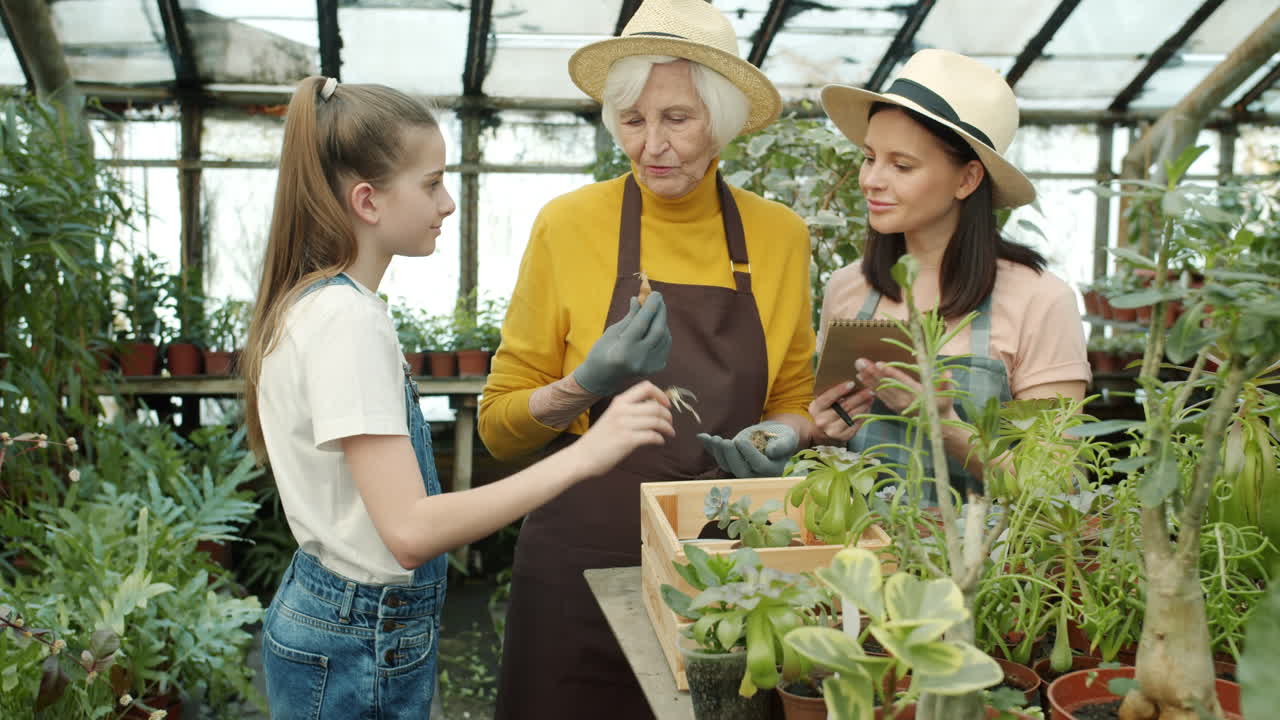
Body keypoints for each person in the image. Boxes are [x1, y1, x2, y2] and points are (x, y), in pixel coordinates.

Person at [240, 76, 676, 720]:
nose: (447, 204)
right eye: (431, 183)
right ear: (368, 200)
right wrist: (588, 454)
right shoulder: (348, 321)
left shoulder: (314, 304)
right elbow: (410, 532)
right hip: (360, 638)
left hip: (337, 620)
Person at [478, 0, 817, 715]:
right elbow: (499, 427)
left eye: (677, 119)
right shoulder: (568, 226)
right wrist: (580, 387)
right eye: (633, 120)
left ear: (720, 122)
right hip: (578, 562)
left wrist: (784, 434)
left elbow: (794, 392)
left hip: (721, 569)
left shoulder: (778, 236)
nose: (652, 145)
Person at [809, 49, 1091, 493]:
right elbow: (832, 448)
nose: (872, 180)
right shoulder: (848, 287)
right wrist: (825, 430)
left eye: (901, 165)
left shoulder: (1040, 300)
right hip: (858, 556)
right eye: (869, 157)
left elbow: (1056, 486)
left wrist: (944, 424)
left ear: (968, 179)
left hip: (987, 558)